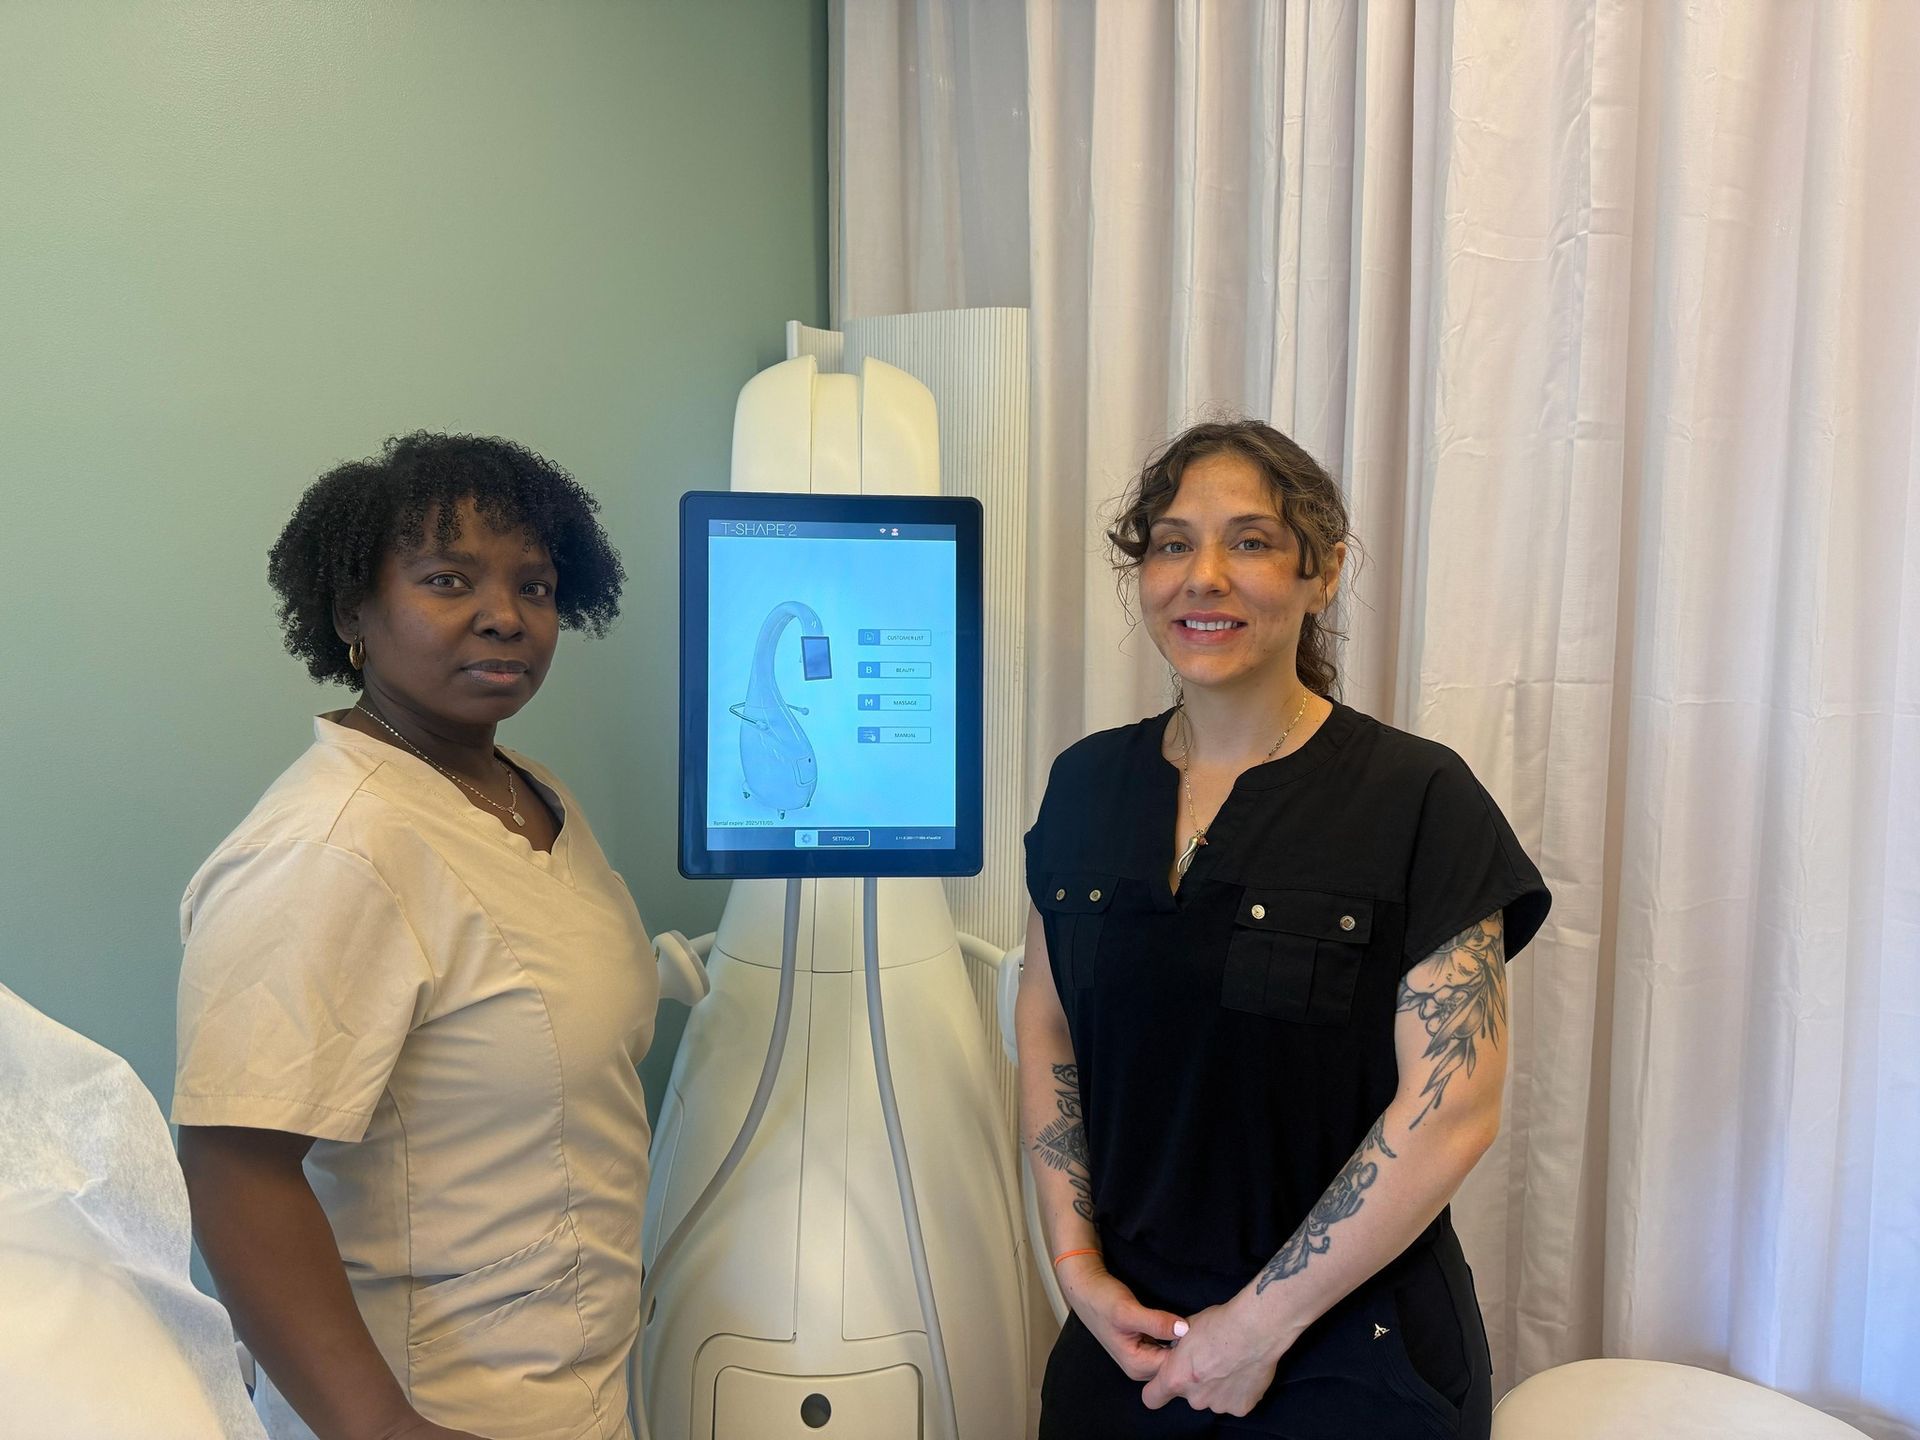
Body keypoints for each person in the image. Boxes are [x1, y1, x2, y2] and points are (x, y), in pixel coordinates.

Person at [1016, 419, 1551, 1439]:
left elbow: (1453, 1110)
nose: (1202, 576)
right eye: (1172, 544)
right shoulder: (1085, 786)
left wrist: (1256, 1329)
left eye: (1250, 542)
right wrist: (1076, 1269)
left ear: (1322, 571)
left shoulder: (1418, 799)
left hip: (1354, 1354)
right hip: (1127, 1341)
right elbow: (1048, 1030)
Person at [172, 433, 657, 1440]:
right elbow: (234, 1167)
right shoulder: (332, 846)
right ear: (353, 610)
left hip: (571, 1394)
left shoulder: (529, 794)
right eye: (449, 581)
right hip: (430, 1409)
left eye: (536, 586)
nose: (505, 616)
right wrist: (382, 1430)